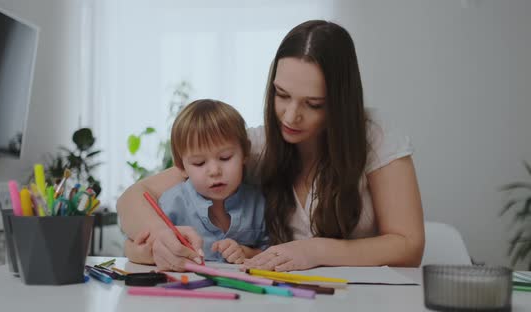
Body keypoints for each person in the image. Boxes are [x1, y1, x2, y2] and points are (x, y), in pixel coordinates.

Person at [117, 20, 424, 271]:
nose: (291, 116)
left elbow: (409, 246)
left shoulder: (375, 137)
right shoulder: (256, 146)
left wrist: (315, 251)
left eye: (313, 104)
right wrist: (159, 240)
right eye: (282, 94)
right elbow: (134, 198)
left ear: (340, 104)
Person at [125, 99, 267, 267]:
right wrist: (144, 251)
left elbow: (270, 251)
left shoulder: (258, 202)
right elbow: (133, 246)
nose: (214, 171)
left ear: (245, 153)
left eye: (225, 157)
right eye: (199, 163)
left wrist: (246, 252)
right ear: (181, 167)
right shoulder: (173, 202)